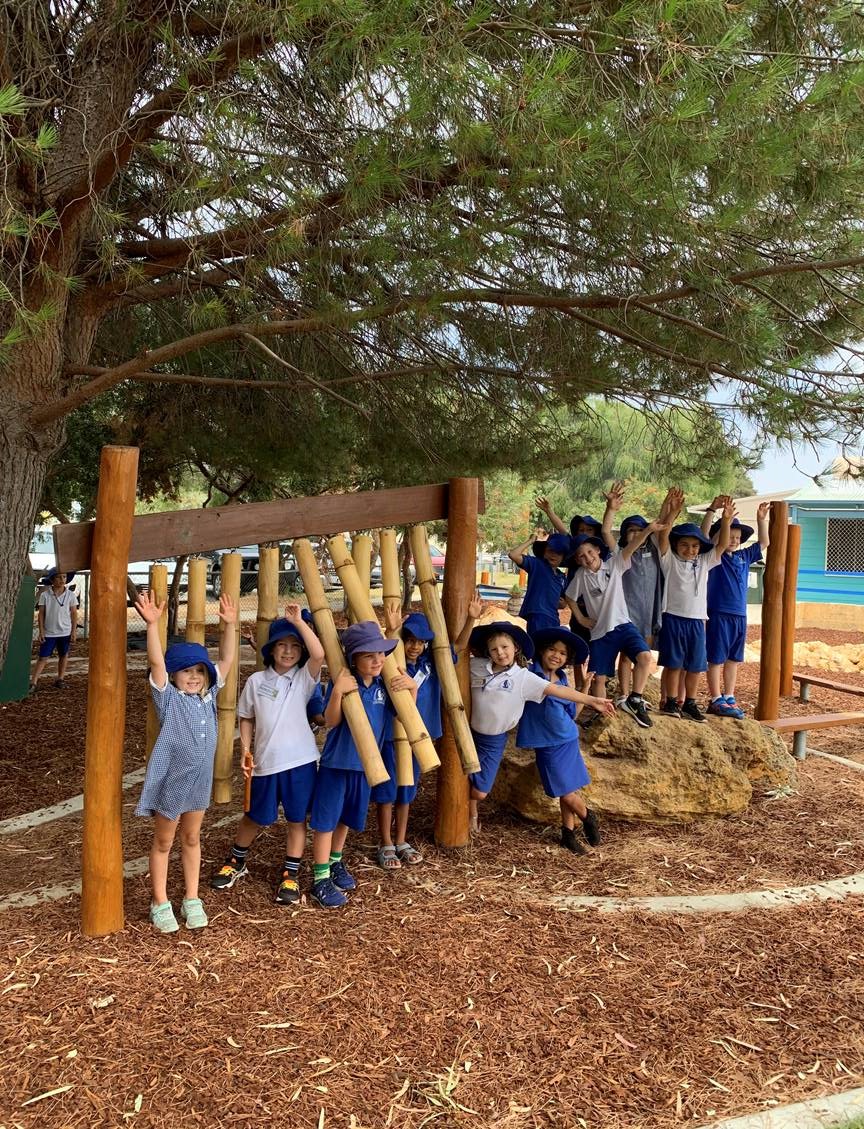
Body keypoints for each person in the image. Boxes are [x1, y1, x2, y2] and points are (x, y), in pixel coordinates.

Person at [135, 589, 237, 933]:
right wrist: (152, 625)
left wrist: (228, 628)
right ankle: (159, 901)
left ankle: (191, 897)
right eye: (186, 671)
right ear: (175, 676)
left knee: (192, 839)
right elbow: (156, 663)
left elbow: (225, 662)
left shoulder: (208, 697)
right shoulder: (169, 699)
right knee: (164, 841)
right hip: (172, 781)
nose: (193, 676)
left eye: (199, 671)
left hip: (199, 782)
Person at [210, 605, 324, 904]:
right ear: (271, 650)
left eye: (294, 646)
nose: (288, 652)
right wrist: (246, 749)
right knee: (254, 816)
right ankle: (237, 861)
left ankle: (291, 874)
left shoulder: (303, 680)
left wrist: (299, 622)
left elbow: (320, 655)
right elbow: (246, 717)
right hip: (264, 763)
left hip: (300, 762)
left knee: (297, 820)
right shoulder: (256, 682)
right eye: (282, 646)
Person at [467, 621, 614, 833]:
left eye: (505, 647)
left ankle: (581, 823)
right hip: (483, 734)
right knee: (565, 789)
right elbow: (458, 655)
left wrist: (590, 697)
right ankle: (572, 830)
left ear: (515, 648)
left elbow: (562, 697)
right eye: (494, 649)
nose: (500, 653)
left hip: (556, 738)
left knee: (566, 789)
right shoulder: (485, 667)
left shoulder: (530, 678)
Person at [308, 621, 416, 908]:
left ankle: (334, 862)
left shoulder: (384, 685)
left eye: (381, 654)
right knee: (326, 822)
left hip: (367, 768)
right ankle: (320, 878)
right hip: (337, 764)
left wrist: (412, 689)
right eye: (370, 655)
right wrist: (337, 693)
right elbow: (330, 722)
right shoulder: (345, 682)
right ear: (354, 658)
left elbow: (404, 717)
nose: (378, 660)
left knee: (345, 819)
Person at [373, 599, 484, 870]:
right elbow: (382, 658)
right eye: (410, 639)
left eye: (421, 642)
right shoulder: (394, 662)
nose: (415, 646)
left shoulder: (431, 664)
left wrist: (471, 619)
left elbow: (456, 647)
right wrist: (391, 631)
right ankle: (385, 842)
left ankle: (401, 840)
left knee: (407, 791)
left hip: (420, 738)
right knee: (387, 792)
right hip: (393, 735)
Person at [564, 514, 669, 727]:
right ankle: (602, 714)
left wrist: (648, 530)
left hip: (623, 625)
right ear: (577, 560)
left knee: (644, 657)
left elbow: (632, 546)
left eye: (590, 552)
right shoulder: (580, 577)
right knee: (598, 678)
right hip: (600, 634)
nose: (587, 558)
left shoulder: (614, 565)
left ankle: (635, 699)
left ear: (599, 551)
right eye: (581, 556)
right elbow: (569, 597)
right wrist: (581, 618)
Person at [516, 627, 602, 853]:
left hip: (568, 738)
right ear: (542, 651)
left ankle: (569, 834)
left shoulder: (563, 680)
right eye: (552, 650)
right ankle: (588, 816)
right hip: (546, 743)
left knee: (568, 789)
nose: (556, 655)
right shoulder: (530, 674)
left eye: (562, 653)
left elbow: (572, 712)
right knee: (563, 789)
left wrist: (583, 688)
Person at [655, 492, 732, 722]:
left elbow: (722, 545)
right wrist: (673, 513)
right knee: (673, 664)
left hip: (697, 620)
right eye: (685, 545)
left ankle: (690, 702)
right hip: (673, 618)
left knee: (696, 666)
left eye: (695, 546)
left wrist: (726, 520)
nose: (690, 549)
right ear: (676, 545)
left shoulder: (703, 562)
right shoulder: (668, 560)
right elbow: (663, 535)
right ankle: (671, 702)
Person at [598, 483, 669, 704]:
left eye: (641, 530)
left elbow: (662, 524)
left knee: (643, 654)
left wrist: (668, 503)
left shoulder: (655, 550)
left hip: (649, 612)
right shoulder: (620, 554)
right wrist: (611, 509)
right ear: (625, 534)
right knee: (626, 656)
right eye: (632, 530)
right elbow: (605, 531)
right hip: (626, 613)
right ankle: (623, 694)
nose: (637, 534)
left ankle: (636, 697)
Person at [701, 497, 771, 717]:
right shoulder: (714, 556)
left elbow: (763, 544)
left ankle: (729, 695)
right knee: (715, 658)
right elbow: (704, 536)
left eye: (737, 537)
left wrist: (761, 520)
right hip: (718, 613)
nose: (733, 540)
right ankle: (715, 697)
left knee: (733, 659)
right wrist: (723, 518)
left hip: (739, 615)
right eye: (728, 535)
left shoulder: (743, 556)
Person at [507, 527, 572, 635]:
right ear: (544, 552)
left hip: (553, 619)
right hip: (537, 615)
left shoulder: (562, 577)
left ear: (563, 557)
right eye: (551, 550)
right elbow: (513, 555)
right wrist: (530, 541)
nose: (554, 555)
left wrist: (563, 604)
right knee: (537, 646)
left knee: (549, 648)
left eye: (559, 553)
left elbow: (562, 603)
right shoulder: (537, 564)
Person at [30, 568, 78, 692]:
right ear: (52, 580)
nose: (62, 580)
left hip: (65, 632)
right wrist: (41, 631)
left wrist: (73, 631)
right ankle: (33, 682)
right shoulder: (45, 595)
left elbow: (73, 613)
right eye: (58, 577)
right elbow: (41, 614)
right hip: (49, 632)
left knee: (64, 655)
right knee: (43, 657)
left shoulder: (70, 595)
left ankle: (60, 679)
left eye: (64, 577)